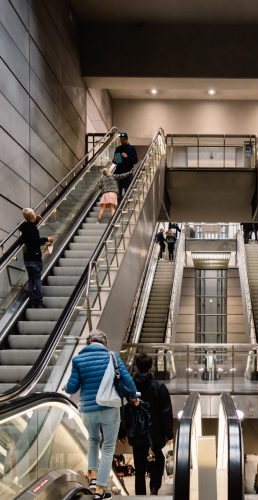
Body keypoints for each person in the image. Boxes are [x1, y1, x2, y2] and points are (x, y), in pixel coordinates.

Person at [64, 329, 137, 500]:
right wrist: (133, 396)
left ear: (89, 342)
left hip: (88, 411)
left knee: (93, 441)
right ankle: (100, 489)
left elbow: (72, 387)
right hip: (109, 409)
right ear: (104, 343)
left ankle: (92, 477)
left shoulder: (78, 359)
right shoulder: (112, 357)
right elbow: (128, 381)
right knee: (108, 447)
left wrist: (65, 388)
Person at [123, 353, 174, 496]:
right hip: (155, 433)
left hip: (136, 432)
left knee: (139, 466)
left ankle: (140, 494)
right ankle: (154, 487)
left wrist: (122, 432)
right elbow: (166, 412)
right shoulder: (159, 387)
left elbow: (123, 410)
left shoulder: (129, 388)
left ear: (137, 366)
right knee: (159, 458)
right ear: (151, 366)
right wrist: (169, 434)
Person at [19, 208, 54, 308]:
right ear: (32, 216)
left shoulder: (24, 227)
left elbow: (30, 231)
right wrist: (47, 239)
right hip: (35, 257)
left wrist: (36, 220)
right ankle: (39, 301)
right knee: (37, 279)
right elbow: (35, 240)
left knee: (31, 279)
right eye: (34, 214)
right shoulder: (32, 228)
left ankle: (33, 300)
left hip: (27, 259)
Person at [112, 132, 138, 200]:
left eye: (123, 139)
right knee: (118, 194)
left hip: (128, 174)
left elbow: (135, 160)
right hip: (118, 174)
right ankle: (118, 209)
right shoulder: (118, 148)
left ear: (126, 139)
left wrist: (127, 157)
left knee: (127, 193)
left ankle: (125, 208)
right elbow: (115, 161)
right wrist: (116, 159)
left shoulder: (132, 148)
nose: (122, 141)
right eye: (121, 139)